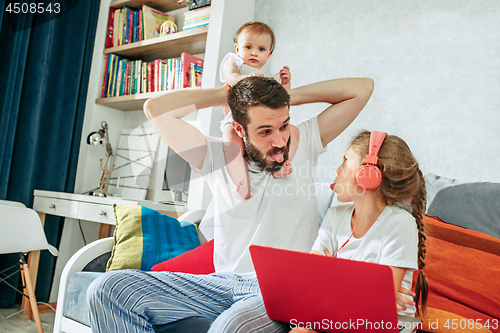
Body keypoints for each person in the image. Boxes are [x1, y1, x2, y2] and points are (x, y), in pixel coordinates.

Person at [87, 76, 374, 333]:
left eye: (283, 126)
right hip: (221, 284)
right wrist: (223, 93)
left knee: (229, 327)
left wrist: (289, 95)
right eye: (264, 132)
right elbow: (155, 109)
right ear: (239, 127)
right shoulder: (215, 156)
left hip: (279, 291)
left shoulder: (306, 141)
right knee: (107, 289)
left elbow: (362, 89)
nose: (279, 141)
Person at [290, 130, 429, 333]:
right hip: (339, 316)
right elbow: (311, 283)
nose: (337, 169)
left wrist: (332, 274)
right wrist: (364, 287)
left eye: (345, 161)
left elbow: (380, 304)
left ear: (368, 175)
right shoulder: (334, 216)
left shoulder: (399, 223)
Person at [219, 22, 299, 199]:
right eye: (248, 47)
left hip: (265, 125)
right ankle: (241, 181)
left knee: (294, 132)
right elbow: (231, 78)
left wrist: (286, 84)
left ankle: (281, 166)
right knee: (231, 143)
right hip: (236, 119)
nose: (254, 52)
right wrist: (245, 77)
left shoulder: (270, 76)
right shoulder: (235, 63)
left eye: (261, 49)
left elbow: (282, 100)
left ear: (269, 53)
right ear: (237, 48)